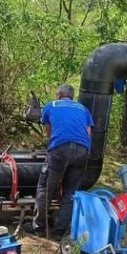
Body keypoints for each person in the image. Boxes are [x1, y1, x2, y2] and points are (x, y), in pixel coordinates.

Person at [25, 84, 94, 239]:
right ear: (71, 96)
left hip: (60, 149)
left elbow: (48, 130)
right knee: (71, 193)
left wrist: (54, 145)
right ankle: (58, 232)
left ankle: (39, 228)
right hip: (83, 151)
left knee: (46, 188)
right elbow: (88, 131)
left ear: (60, 94)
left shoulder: (51, 106)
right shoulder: (83, 109)